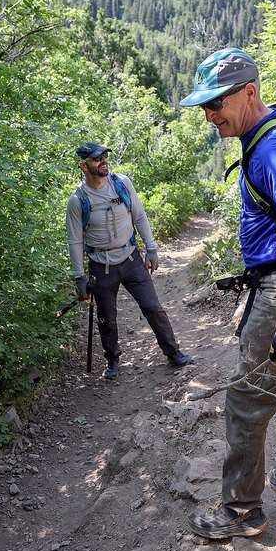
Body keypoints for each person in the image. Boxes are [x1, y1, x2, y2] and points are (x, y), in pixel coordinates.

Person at [179, 48, 276, 539]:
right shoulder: (272, 131)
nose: (209, 115)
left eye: (216, 104)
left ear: (249, 92)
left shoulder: (271, 150)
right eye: (204, 106)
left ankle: (241, 510)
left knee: (248, 399)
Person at [66, 142, 194, 380]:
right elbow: (74, 241)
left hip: (131, 258)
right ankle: (112, 361)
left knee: (153, 308)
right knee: (107, 318)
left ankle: (173, 352)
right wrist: (79, 276)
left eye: (104, 156)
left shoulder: (122, 184)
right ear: (83, 166)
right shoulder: (78, 200)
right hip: (101, 265)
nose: (103, 161)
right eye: (96, 159)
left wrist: (152, 249)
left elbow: (140, 216)